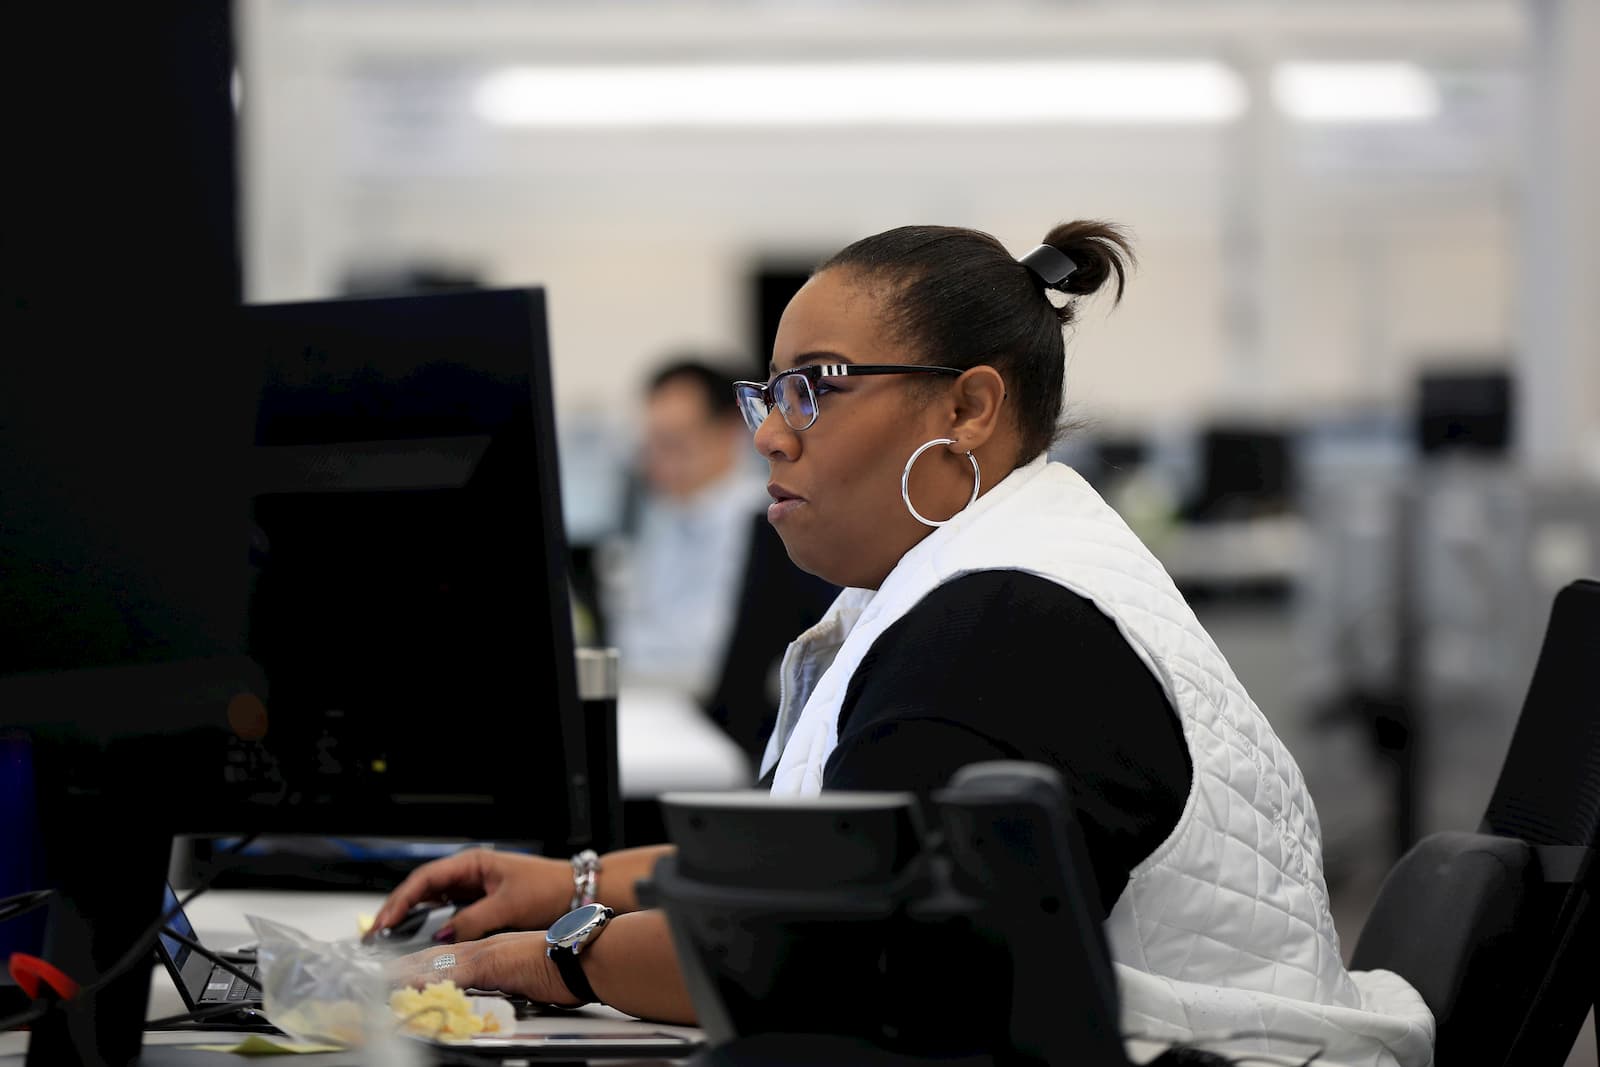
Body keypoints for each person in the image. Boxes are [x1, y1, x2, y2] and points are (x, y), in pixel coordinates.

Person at [376, 222, 1434, 1065]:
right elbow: (818, 861)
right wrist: (577, 885)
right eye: (768, 391)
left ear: (971, 406)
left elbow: (821, 950)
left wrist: (547, 957)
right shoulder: (982, 582)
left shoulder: (1002, 627)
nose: (769, 433)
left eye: (815, 387)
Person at [601, 359, 766, 697]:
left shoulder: (761, 521)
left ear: (729, 432)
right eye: (651, 444)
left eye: (674, 444)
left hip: (713, 706)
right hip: (656, 694)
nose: (658, 462)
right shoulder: (669, 512)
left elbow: (709, 652)